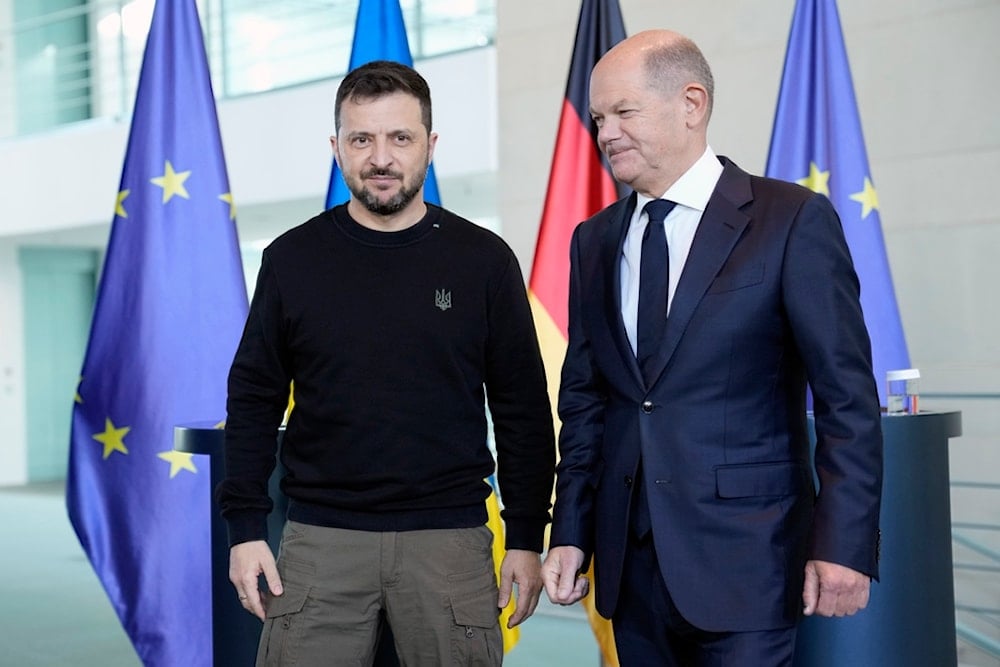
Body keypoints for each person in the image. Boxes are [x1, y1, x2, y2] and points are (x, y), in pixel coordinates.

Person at [541, 30, 883, 665]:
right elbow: (587, 404)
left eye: (623, 112)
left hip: (751, 564)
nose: (606, 132)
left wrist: (844, 544)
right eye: (597, 117)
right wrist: (571, 532)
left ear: (691, 104)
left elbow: (847, 399)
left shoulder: (790, 220)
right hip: (631, 575)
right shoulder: (593, 241)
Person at [217, 60, 555, 666]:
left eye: (400, 137)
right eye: (361, 139)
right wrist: (245, 528)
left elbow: (523, 410)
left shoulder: (484, 262)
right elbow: (253, 398)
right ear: (336, 147)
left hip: (449, 544)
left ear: (430, 143)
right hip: (321, 542)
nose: (381, 157)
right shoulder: (291, 260)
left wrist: (527, 536)